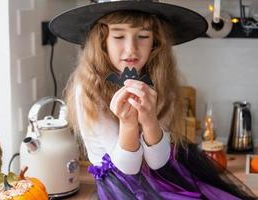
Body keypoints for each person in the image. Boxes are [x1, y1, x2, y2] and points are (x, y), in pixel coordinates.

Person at [49, 1, 257, 199]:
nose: (131, 49)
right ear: (102, 41)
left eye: (143, 36)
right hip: (123, 187)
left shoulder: (160, 80)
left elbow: (158, 162)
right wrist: (128, 123)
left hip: (165, 176)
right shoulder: (88, 89)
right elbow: (127, 169)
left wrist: (149, 120)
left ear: (156, 41)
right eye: (119, 36)